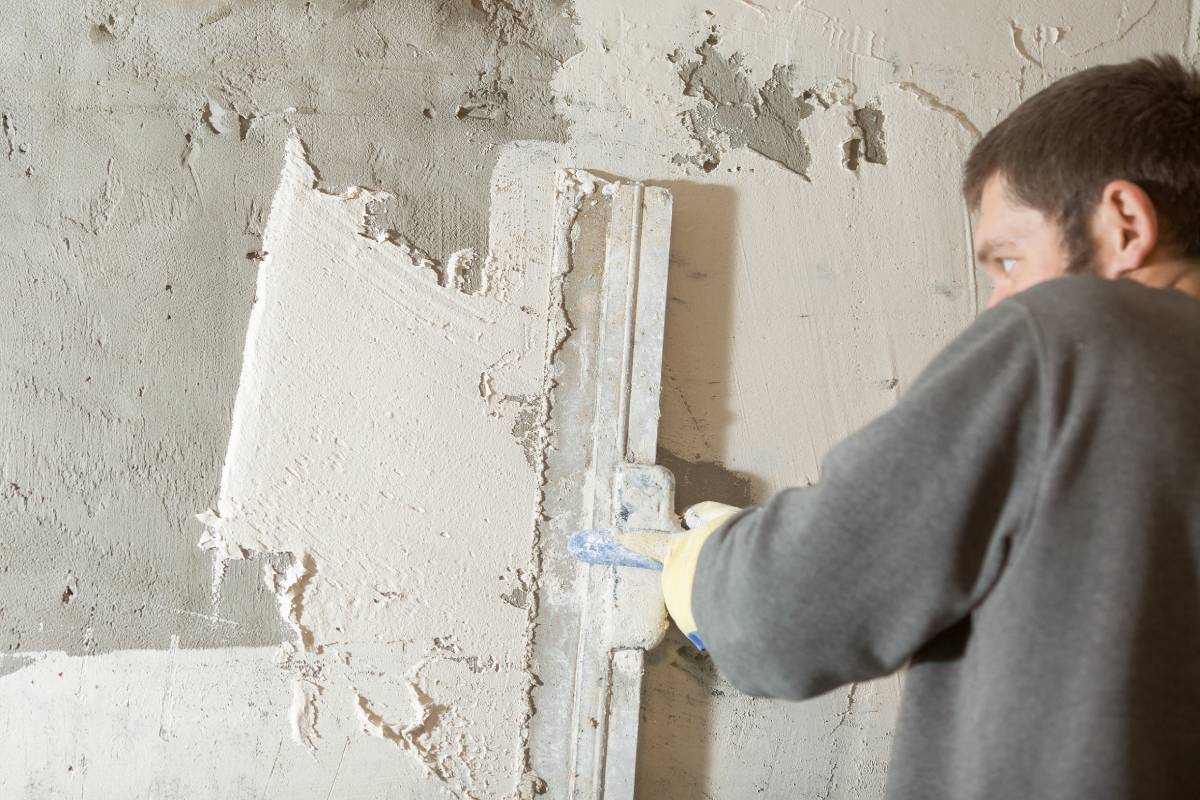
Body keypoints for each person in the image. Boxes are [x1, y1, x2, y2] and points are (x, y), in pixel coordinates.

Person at [661, 55, 1200, 798]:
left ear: (1125, 223)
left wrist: (705, 566)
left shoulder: (1073, 333)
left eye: (1009, 260)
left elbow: (780, 615)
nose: (998, 306)